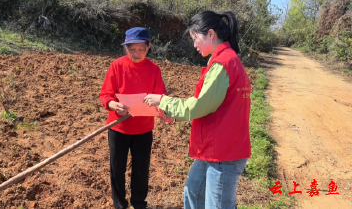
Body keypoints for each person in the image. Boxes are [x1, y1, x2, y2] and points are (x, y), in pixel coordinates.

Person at [143, 11, 251, 209]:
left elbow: (199, 106)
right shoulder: (224, 60)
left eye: (195, 38)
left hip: (223, 152)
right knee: (193, 191)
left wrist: (163, 101)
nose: (194, 45)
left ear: (211, 34)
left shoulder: (223, 63)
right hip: (214, 147)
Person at [100, 27, 167, 209]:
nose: (136, 53)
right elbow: (105, 95)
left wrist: (163, 110)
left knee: (140, 170)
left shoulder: (154, 69)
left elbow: (161, 96)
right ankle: (119, 204)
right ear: (126, 47)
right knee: (117, 169)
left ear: (149, 46)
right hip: (118, 127)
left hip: (144, 129)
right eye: (131, 49)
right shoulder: (117, 65)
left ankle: (139, 204)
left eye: (141, 49)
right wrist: (114, 105)